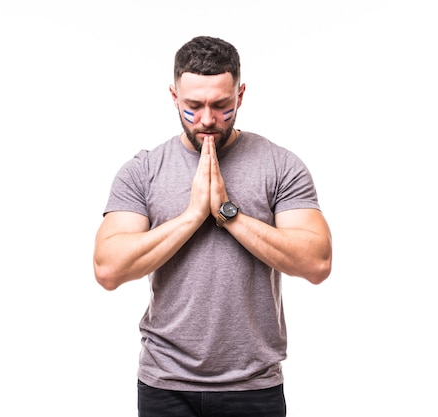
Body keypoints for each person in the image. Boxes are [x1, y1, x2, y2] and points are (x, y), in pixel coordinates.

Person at [93, 35, 332, 417]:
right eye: (194, 105)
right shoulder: (143, 171)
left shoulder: (280, 165)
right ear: (174, 97)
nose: (207, 119)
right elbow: (107, 269)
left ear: (240, 95)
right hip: (165, 384)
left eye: (221, 105)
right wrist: (192, 216)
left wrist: (228, 214)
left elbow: (317, 263)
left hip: (254, 386)